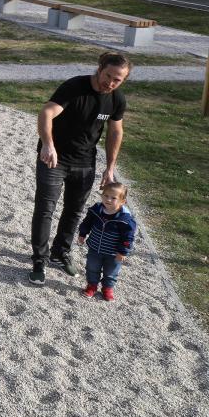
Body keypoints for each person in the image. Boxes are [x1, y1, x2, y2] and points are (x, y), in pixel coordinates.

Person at [30, 52, 130, 286]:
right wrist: (48, 145)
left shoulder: (117, 99)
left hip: (85, 162)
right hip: (54, 158)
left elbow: (115, 131)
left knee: (74, 211)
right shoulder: (74, 87)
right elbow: (46, 112)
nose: (110, 83)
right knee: (45, 209)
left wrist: (110, 168)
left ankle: (60, 252)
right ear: (100, 68)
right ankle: (39, 260)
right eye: (108, 76)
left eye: (117, 80)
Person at [77, 182, 137, 302]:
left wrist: (122, 252)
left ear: (122, 201)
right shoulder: (96, 210)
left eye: (113, 198)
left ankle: (107, 288)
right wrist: (82, 234)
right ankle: (92, 285)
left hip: (113, 253)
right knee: (92, 268)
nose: (108, 199)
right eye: (106, 196)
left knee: (111, 272)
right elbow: (87, 222)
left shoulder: (125, 219)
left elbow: (128, 238)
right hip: (95, 248)